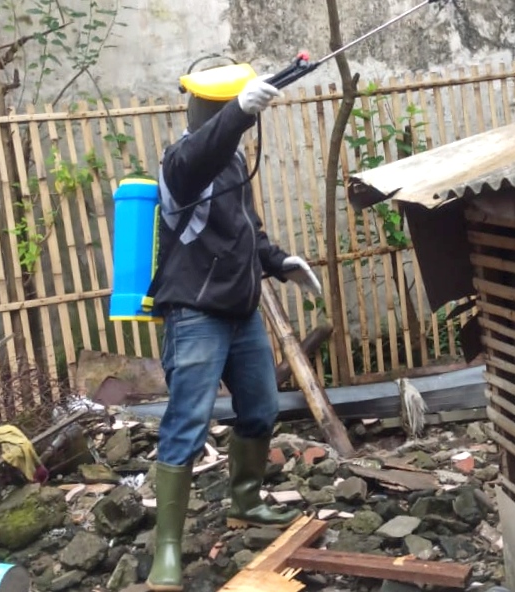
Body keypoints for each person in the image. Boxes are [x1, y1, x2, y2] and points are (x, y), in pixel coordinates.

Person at [146, 66, 322, 592]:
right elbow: (201, 153)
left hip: (241, 309)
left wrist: (279, 261)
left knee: (262, 407)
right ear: (208, 108)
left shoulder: (236, 160)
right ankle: (168, 550)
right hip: (195, 311)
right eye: (225, 107)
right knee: (187, 422)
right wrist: (240, 113)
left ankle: (245, 501)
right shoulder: (179, 164)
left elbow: (245, 229)